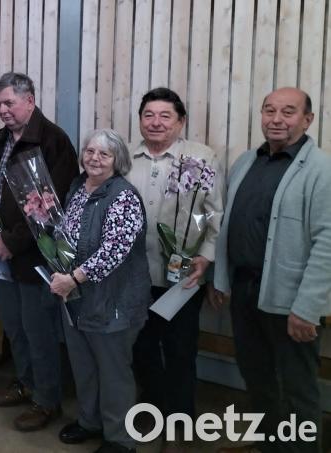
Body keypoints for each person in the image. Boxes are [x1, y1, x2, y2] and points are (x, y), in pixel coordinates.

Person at [213, 87, 331, 453]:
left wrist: (307, 308)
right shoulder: (247, 161)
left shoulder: (321, 169)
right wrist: (220, 279)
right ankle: (269, 446)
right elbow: (227, 224)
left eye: (289, 112)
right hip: (246, 292)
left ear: (308, 120)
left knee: (297, 389)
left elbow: (328, 243)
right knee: (258, 378)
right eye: (269, 110)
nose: (277, 119)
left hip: (291, 301)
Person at [0, 72, 79, 431]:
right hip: (1, 253)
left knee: (39, 331)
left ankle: (47, 400)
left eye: (9, 103)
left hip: (36, 257)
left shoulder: (54, 141)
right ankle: (26, 382)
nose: (3, 110)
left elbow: (55, 206)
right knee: (16, 327)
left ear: (30, 100)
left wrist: (14, 241)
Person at [126, 88, 225, 428]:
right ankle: (152, 409)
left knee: (181, 351)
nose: (156, 122)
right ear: (140, 120)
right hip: (133, 276)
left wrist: (206, 258)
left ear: (181, 121)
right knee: (141, 347)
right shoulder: (124, 157)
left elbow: (215, 216)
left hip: (182, 276)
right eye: (148, 115)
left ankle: (180, 424)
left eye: (165, 116)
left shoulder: (200, 158)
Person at [50, 129, 149, 453]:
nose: (94, 158)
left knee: (113, 373)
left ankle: (120, 439)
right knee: (84, 365)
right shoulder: (79, 187)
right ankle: (89, 421)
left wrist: (74, 278)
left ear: (117, 160)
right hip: (77, 300)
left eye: (104, 154)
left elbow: (115, 249)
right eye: (90, 151)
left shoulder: (122, 195)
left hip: (113, 302)